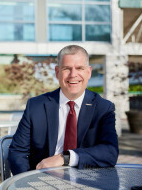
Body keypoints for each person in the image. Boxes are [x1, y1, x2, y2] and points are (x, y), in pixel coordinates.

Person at [8, 45, 119, 175]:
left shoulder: (103, 108)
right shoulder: (36, 106)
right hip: (43, 180)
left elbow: (110, 152)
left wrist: (65, 157)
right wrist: (27, 183)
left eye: (79, 68)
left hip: (88, 181)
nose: (73, 75)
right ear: (57, 72)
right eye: (66, 68)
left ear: (88, 72)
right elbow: (17, 152)